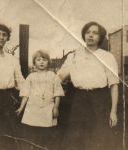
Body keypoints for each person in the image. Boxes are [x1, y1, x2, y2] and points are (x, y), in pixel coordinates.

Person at [57, 21, 119, 150]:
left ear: (100, 37)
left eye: (95, 33)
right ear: (84, 35)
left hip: (99, 101)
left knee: (98, 138)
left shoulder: (107, 57)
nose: (90, 35)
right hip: (78, 99)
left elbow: (114, 86)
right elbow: (59, 77)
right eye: (88, 32)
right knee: (75, 138)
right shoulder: (74, 55)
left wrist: (113, 111)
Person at [16, 50, 64, 149]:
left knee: (46, 135)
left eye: (44, 59)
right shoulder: (31, 77)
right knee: (32, 134)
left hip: (47, 108)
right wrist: (21, 107)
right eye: (38, 60)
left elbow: (57, 93)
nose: (41, 62)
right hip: (33, 109)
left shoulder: (53, 76)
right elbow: (26, 93)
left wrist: (56, 108)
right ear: (34, 63)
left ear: (48, 62)